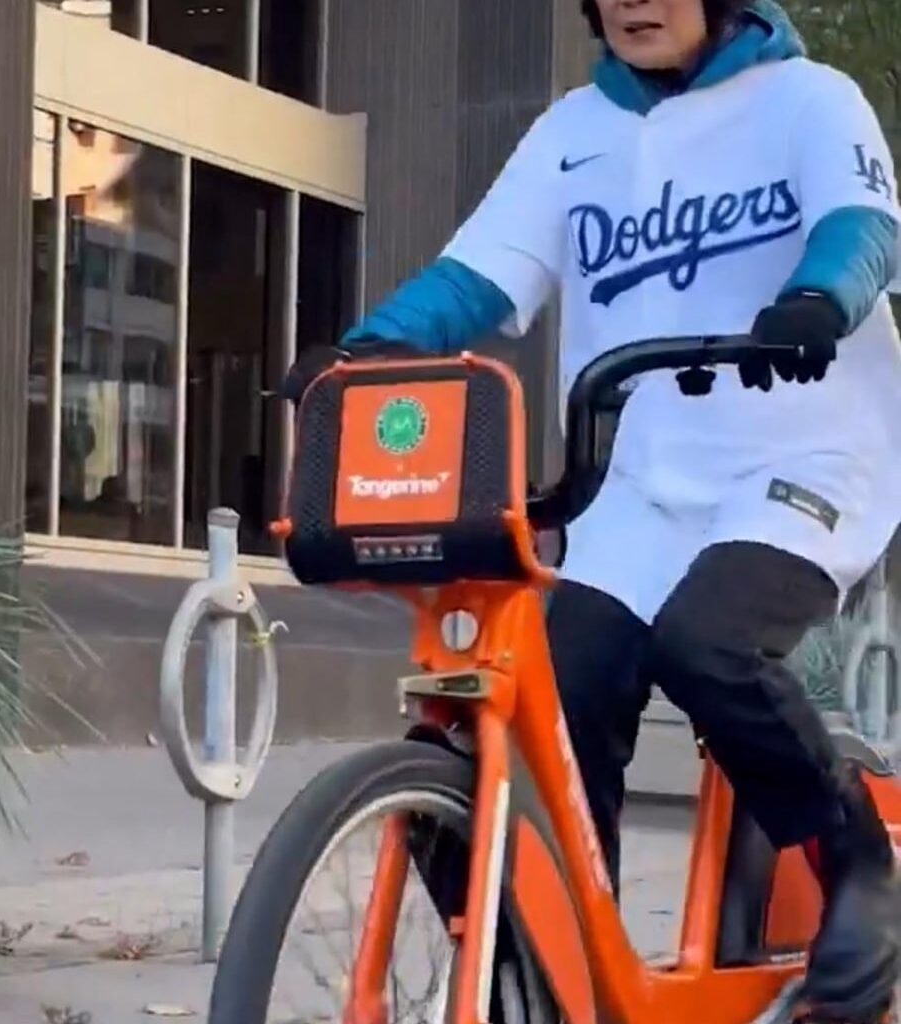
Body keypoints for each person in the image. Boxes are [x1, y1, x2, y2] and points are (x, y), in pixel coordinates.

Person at [283, 0, 900, 1019]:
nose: (632, 2)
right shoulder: (573, 132)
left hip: (801, 459)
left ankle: (860, 865)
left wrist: (818, 301)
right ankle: (567, 962)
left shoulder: (808, 100)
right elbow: (475, 277)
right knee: (556, 697)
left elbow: (862, 229)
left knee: (708, 646)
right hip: (638, 482)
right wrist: (361, 352)